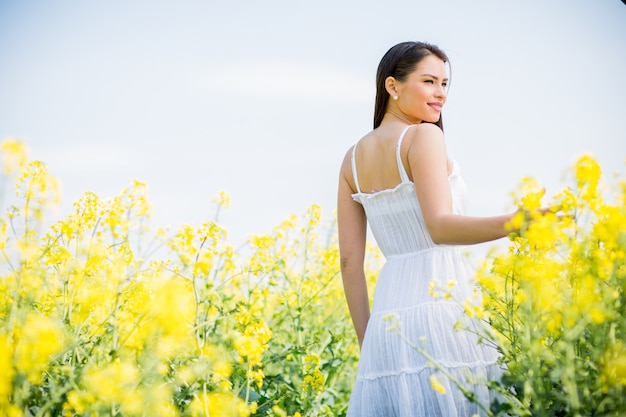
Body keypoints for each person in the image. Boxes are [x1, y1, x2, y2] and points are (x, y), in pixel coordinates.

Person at [337, 41, 516, 416]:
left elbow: (349, 263)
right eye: (430, 81)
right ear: (392, 86)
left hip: (388, 325)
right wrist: (520, 222)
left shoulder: (351, 159)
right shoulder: (423, 137)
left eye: (446, 84)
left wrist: (370, 343)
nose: (441, 95)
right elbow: (441, 228)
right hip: (441, 310)